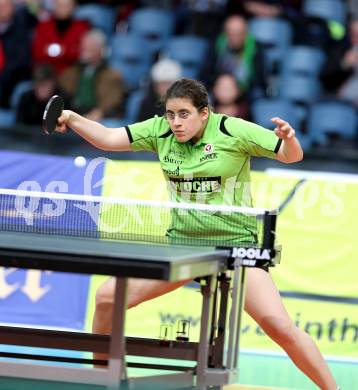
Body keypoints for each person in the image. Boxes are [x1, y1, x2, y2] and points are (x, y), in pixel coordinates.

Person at [54, 78, 338, 390]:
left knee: (278, 325)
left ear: (204, 113)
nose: (175, 122)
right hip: (184, 247)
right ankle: (101, 379)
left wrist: (289, 139)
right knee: (106, 298)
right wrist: (72, 118)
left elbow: (289, 155)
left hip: (236, 249)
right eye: (170, 114)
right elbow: (108, 138)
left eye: (184, 114)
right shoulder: (160, 130)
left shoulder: (232, 130)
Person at [59, 29, 125, 122]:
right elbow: (63, 90)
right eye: (83, 46)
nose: (84, 50)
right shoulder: (72, 71)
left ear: (100, 50)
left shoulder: (111, 75)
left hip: (97, 116)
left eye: (89, 47)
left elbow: (113, 99)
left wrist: (100, 111)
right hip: (73, 112)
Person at [137, 58, 182, 122]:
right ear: (155, 86)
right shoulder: (147, 105)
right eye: (162, 84)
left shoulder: (185, 104)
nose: (166, 88)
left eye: (168, 83)